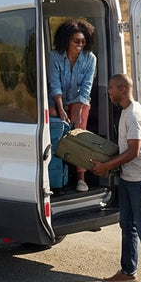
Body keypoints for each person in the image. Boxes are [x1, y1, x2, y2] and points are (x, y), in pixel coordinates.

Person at [91, 74, 141, 282]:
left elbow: (133, 151)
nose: (108, 91)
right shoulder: (125, 111)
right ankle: (127, 271)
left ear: (122, 89)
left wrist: (106, 166)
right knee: (127, 225)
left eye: (112, 88)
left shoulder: (134, 115)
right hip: (129, 177)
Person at [47, 19, 97, 192]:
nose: (80, 45)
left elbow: (86, 88)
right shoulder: (54, 56)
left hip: (79, 100)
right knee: (55, 129)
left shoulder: (90, 59)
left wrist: (78, 112)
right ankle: (56, 176)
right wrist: (61, 109)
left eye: (83, 42)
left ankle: (81, 178)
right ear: (67, 40)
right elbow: (55, 85)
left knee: (79, 133)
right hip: (56, 99)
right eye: (76, 41)